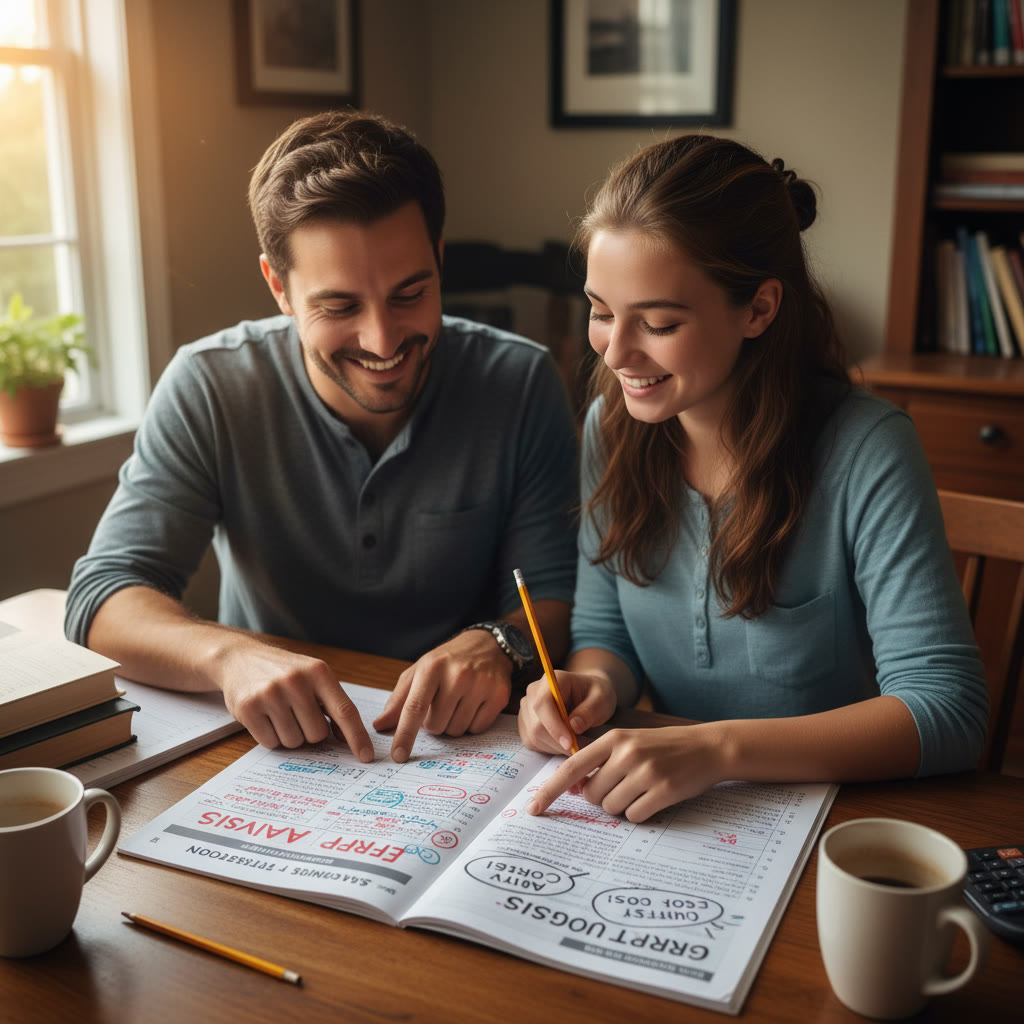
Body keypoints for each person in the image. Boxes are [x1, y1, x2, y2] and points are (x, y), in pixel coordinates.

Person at [65, 110, 578, 764]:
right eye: (339, 308)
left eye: (409, 293)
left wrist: (498, 644)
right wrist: (229, 657)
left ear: (438, 259)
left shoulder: (520, 381)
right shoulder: (210, 386)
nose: (383, 341)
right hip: (271, 750)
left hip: (462, 746)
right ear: (278, 287)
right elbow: (103, 596)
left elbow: (554, 598)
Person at [519, 134, 988, 823]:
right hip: (684, 813)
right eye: (600, 311)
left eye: (658, 322)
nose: (616, 352)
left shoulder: (868, 450)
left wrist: (718, 751)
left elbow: (948, 709)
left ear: (760, 309)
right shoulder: (610, 427)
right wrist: (588, 684)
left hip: (839, 819)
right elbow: (605, 632)